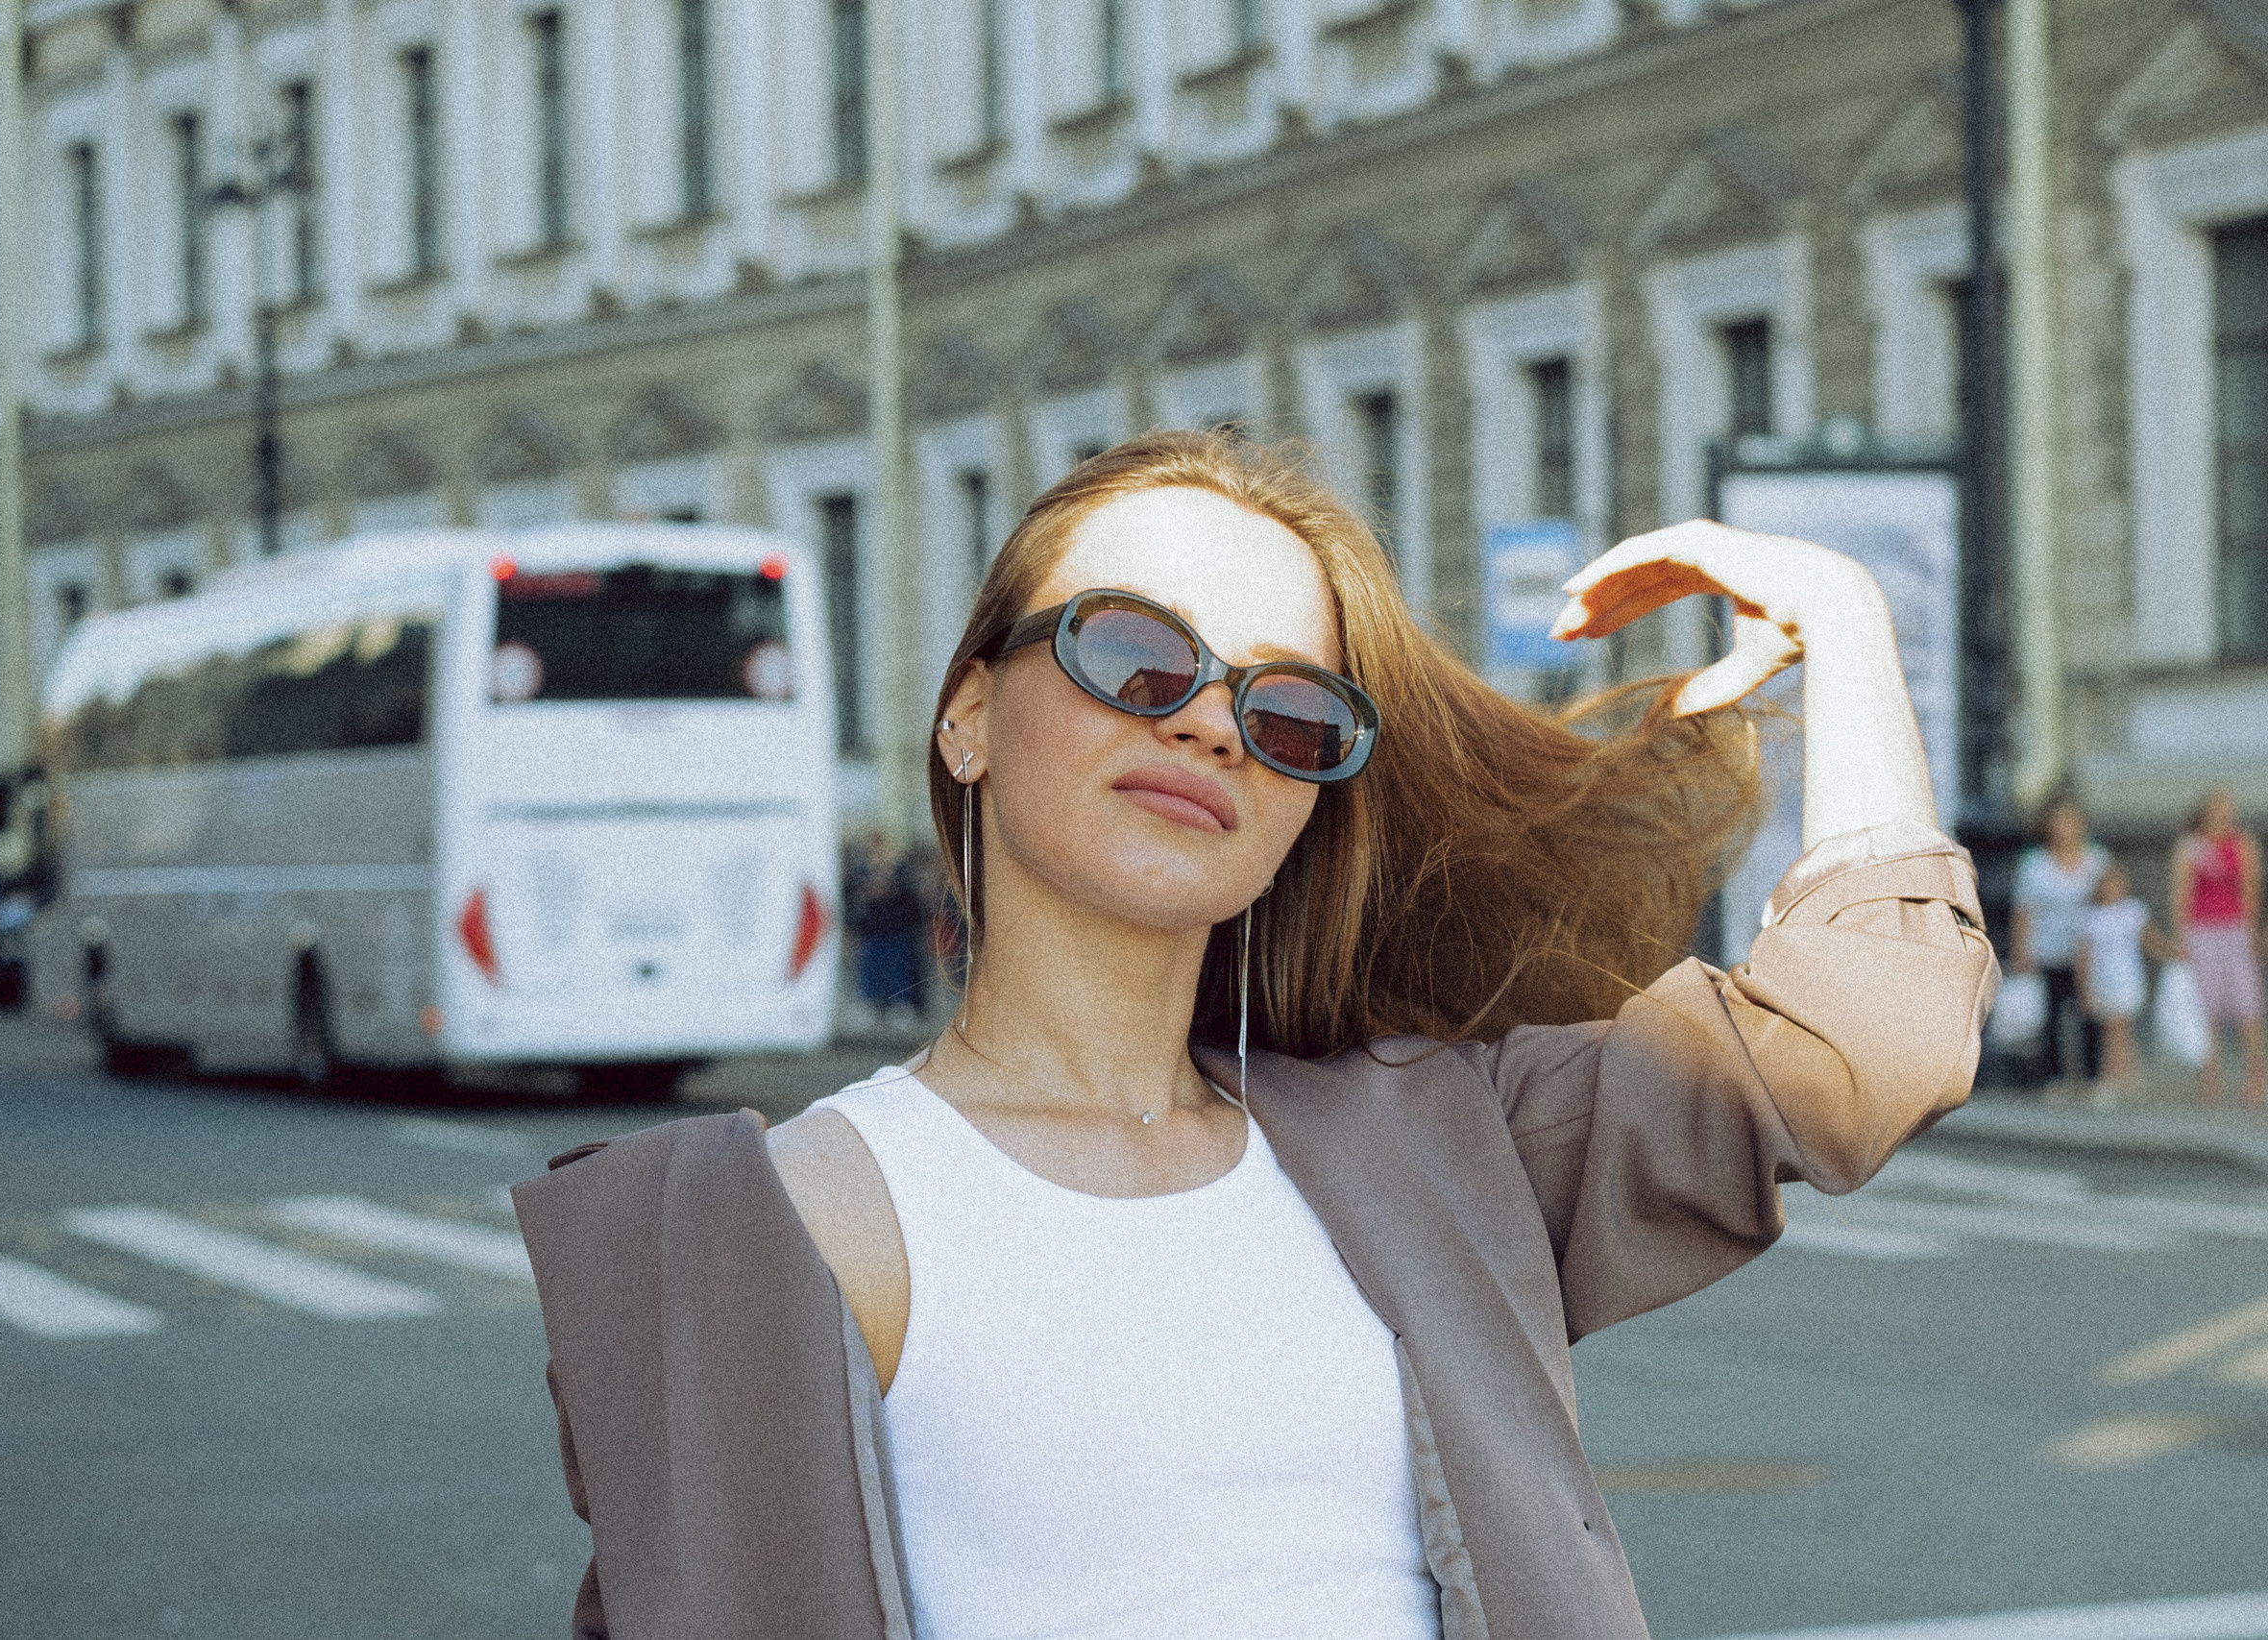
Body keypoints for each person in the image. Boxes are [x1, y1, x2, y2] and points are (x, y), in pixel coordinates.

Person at [512, 432, 1992, 1640]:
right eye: (1137, 659)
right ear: (971, 713)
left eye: (1288, 711)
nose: (1213, 725)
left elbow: (1878, 1032)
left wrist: (1848, 622)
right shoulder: (804, 1214)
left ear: (1303, 810)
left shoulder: (1432, 1139)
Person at [2171, 788, 2266, 1108]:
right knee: (2205, 1005)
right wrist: (2182, 936)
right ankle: (2210, 1075)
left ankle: (2255, 1076)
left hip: (2235, 929)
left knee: (2246, 1005)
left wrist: (2253, 933)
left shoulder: (2242, 844)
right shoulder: (2190, 847)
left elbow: (2251, 889)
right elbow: (2181, 894)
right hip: (2202, 931)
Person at [2011, 798, 2108, 1091]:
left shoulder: (2097, 860)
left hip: (2089, 952)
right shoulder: (2035, 865)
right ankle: (2053, 1077)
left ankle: (2092, 1077)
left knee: (2090, 1012)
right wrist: (2021, 951)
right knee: (2051, 1014)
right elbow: (2024, 911)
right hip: (2049, 948)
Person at [2075, 863, 2170, 1106]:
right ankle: (2114, 1077)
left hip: (2127, 980)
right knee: (2111, 1030)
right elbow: (2083, 957)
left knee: (2121, 1029)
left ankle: (2123, 1075)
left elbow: (2149, 939)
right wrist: (2083, 988)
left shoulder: (2132, 911)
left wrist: (2170, 952)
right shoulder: (2092, 917)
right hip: (2102, 981)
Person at [845, 829, 928, 1032]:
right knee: (870, 969)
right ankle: (869, 1003)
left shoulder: (900, 870)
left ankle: (902, 1005)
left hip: (897, 929)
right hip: (872, 931)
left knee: (899, 969)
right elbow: (852, 900)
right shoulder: (861, 872)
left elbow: (911, 899)